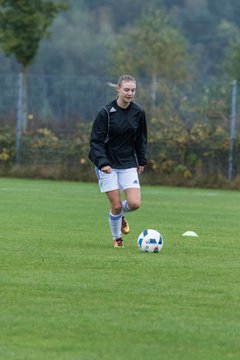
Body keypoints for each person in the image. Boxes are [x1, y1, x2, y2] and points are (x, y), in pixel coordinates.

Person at [89, 75, 147, 248]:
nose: (130, 93)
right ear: (118, 90)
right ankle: (117, 238)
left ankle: (120, 214)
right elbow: (95, 141)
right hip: (107, 164)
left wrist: (141, 160)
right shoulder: (106, 112)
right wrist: (102, 163)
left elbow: (141, 139)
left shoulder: (139, 112)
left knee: (135, 203)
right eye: (126, 90)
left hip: (128, 162)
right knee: (115, 205)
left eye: (133, 90)